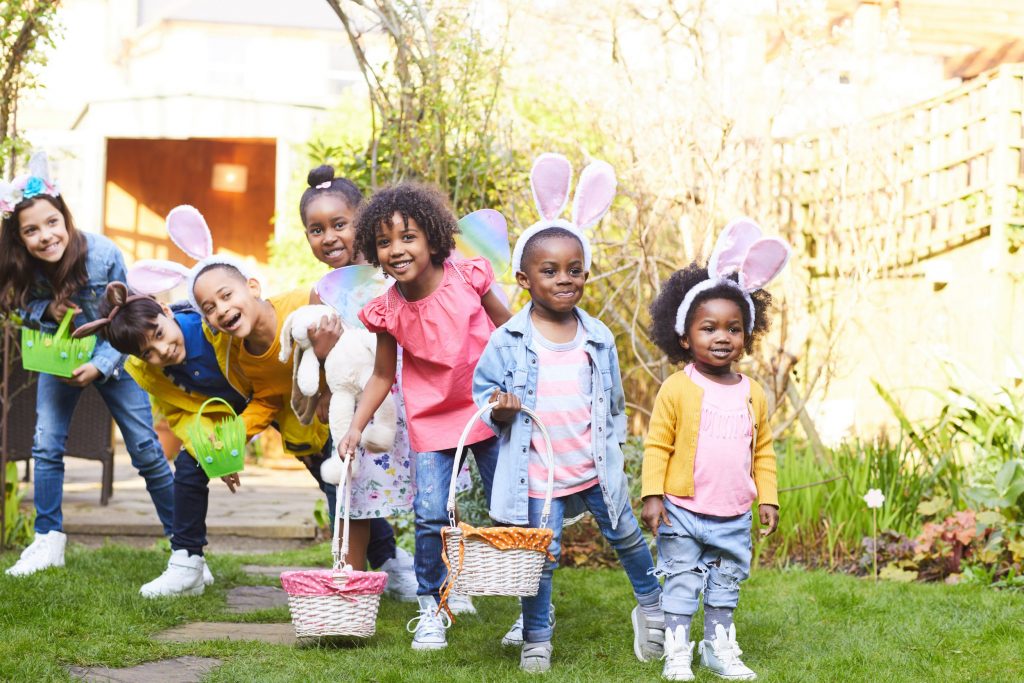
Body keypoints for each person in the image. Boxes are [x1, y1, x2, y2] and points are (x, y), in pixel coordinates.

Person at [472, 154, 664, 673]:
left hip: (593, 467)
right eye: (550, 270)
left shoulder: (597, 336)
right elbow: (483, 395)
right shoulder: (507, 338)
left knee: (626, 536)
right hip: (539, 474)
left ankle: (653, 607)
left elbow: (617, 406)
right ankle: (537, 634)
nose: (565, 279)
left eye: (575, 270)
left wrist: (615, 453)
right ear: (524, 278)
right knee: (540, 555)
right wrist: (500, 411)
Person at [337, 182, 511, 651]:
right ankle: (431, 605)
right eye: (384, 241)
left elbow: (510, 329)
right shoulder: (388, 310)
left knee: (510, 508)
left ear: (433, 238)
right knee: (430, 514)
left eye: (408, 237)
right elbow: (379, 375)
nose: (396, 249)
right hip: (432, 421)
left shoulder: (468, 277)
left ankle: (529, 608)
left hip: (490, 412)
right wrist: (356, 426)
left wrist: (521, 386)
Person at [0, 155, 174, 577]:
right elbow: (15, 310)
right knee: (46, 445)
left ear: (65, 218)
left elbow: (131, 316)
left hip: (113, 357)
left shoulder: (101, 254)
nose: (45, 236)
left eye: (52, 222)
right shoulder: (21, 269)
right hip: (59, 362)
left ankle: (186, 546)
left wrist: (100, 363)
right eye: (31, 231)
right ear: (20, 239)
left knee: (147, 451)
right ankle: (48, 541)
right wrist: (47, 308)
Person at [641, 219, 788, 681]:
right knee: (682, 581)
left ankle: (718, 647)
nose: (722, 337)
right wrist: (652, 495)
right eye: (709, 328)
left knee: (725, 585)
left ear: (746, 336)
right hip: (683, 509)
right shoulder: (676, 389)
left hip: (732, 513)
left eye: (734, 328)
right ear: (685, 336)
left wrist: (768, 497)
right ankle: (679, 649)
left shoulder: (754, 392)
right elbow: (657, 444)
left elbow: (762, 450)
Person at [74, 282, 248, 596]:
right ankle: (187, 561)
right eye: (148, 353)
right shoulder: (155, 372)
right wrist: (216, 453)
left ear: (166, 311)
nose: (162, 350)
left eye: (158, 335)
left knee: (323, 460)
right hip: (220, 417)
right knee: (188, 465)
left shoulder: (210, 326)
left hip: (267, 398)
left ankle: (361, 554)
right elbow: (180, 414)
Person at [297, 164, 418, 601]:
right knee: (353, 496)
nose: (328, 237)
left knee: (429, 495)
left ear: (361, 220)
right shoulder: (321, 292)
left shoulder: (392, 272)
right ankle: (349, 589)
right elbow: (319, 360)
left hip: (405, 400)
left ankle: (443, 586)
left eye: (339, 225)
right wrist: (327, 388)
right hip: (355, 414)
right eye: (316, 229)